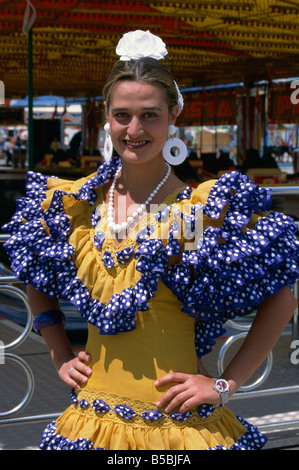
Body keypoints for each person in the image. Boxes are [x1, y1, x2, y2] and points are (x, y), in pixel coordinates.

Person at [2, 30, 298, 451]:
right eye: (122, 115)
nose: (134, 129)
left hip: (180, 431)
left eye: (150, 115)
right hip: (90, 422)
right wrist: (59, 352)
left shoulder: (203, 210)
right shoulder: (76, 203)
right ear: (106, 116)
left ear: (173, 114)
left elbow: (283, 298)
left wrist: (224, 384)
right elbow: (37, 270)